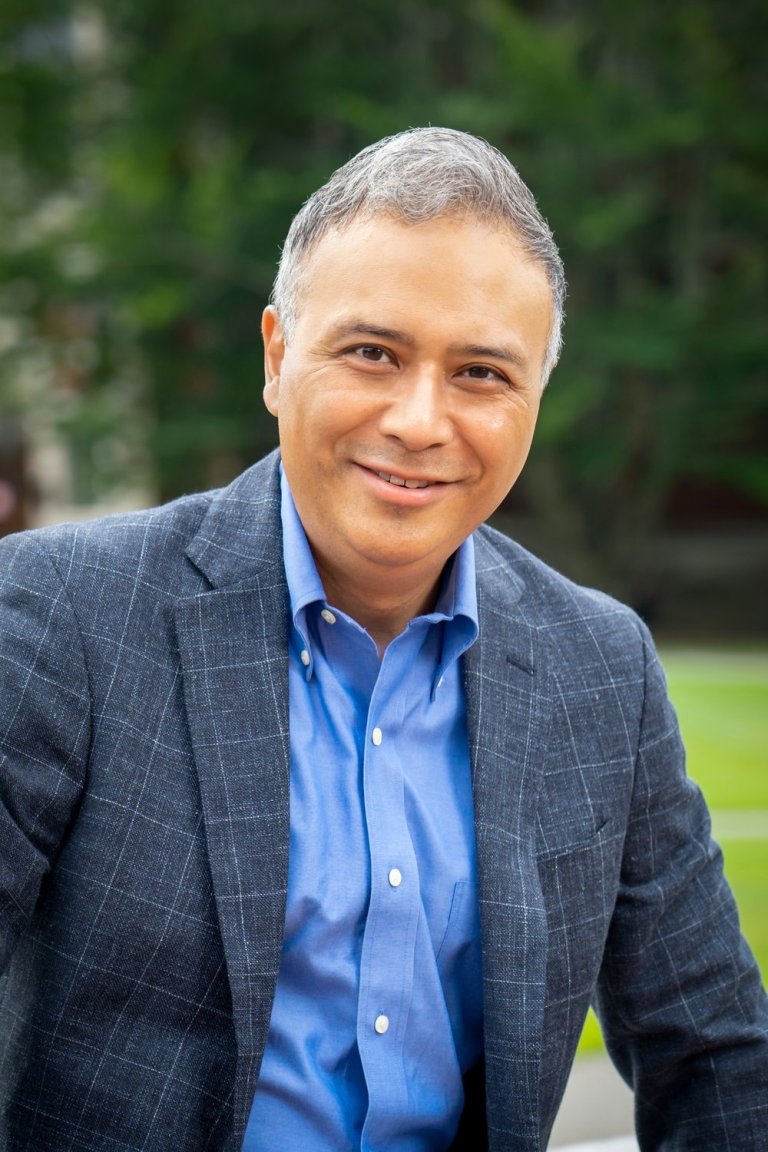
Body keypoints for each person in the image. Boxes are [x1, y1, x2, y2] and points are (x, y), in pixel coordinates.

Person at [0, 128, 766, 1152]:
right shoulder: (62, 613)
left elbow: (716, 1054)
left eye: (483, 373)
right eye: (373, 353)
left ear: (535, 401)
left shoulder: (600, 668)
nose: (419, 419)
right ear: (278, 357)